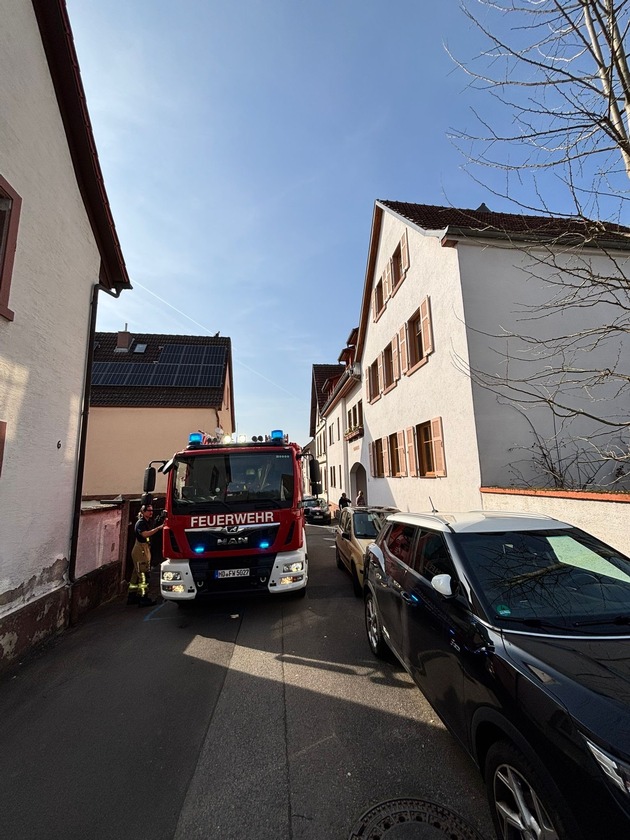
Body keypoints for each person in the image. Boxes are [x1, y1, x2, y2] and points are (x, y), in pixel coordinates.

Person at [128, 504, 165, 607]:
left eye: (152, 510)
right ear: (143, 512)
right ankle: (143, 597)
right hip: (141, 550)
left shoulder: (146, 522)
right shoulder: (140, 523)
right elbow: (145, 534)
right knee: (143, 574)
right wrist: (158, 528)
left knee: (136, 574)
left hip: (144, 548)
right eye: (148, 510)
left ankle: (132, 596)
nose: (151, 512)